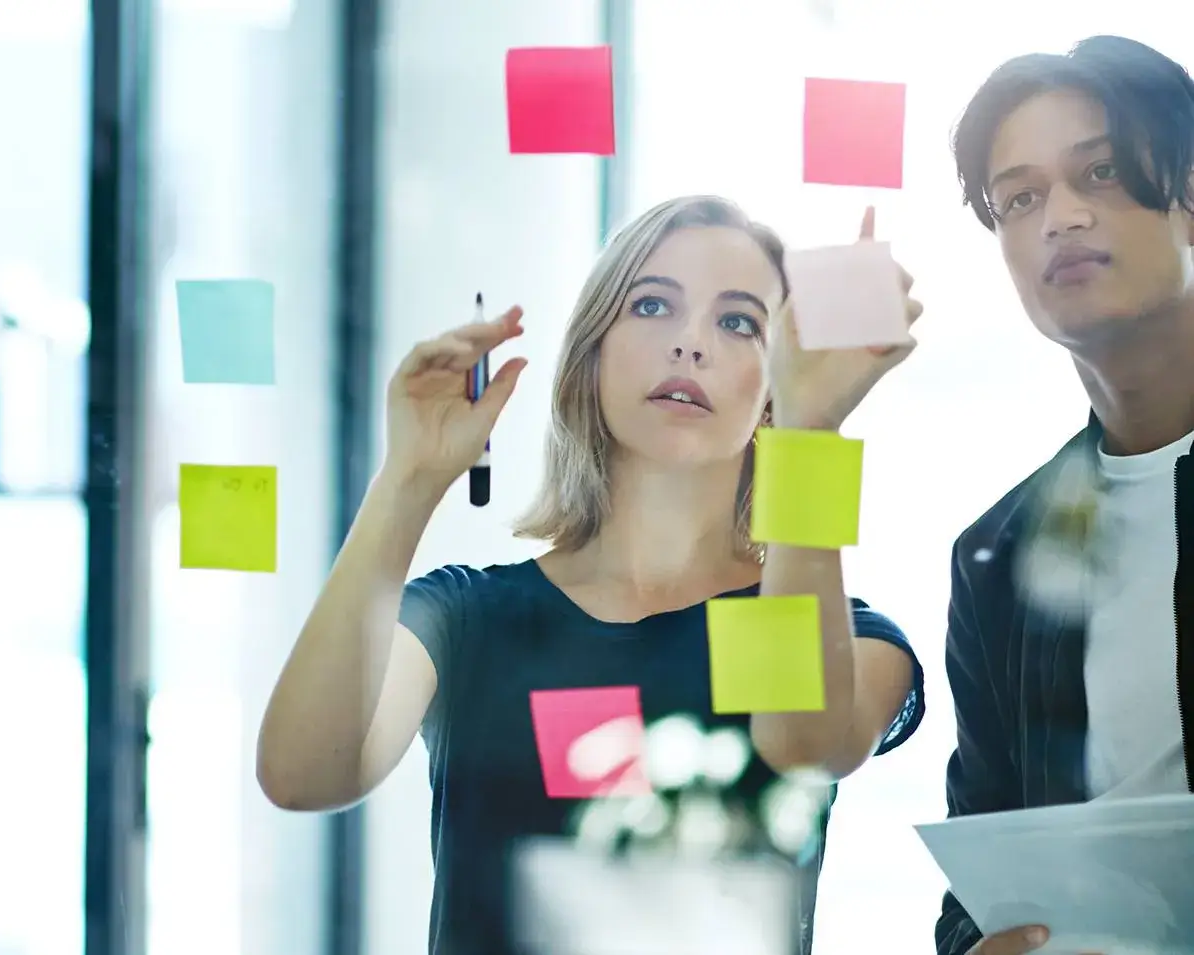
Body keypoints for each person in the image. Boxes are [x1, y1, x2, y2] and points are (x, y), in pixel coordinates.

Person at [256, 194, 928, 955]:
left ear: (770, 383)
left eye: (739, 321)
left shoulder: (840, 632)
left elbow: (803, 742)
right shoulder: (468, 616)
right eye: (651, 305)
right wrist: (409, 477)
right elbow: (302, 773)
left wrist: (812, 426)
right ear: (593, 353)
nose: (690, 344)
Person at [937, 35, 1194, 955]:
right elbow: (978, 873)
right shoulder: (997, 554)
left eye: (1104, 172)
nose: (1062, 218)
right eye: (1021, 198)